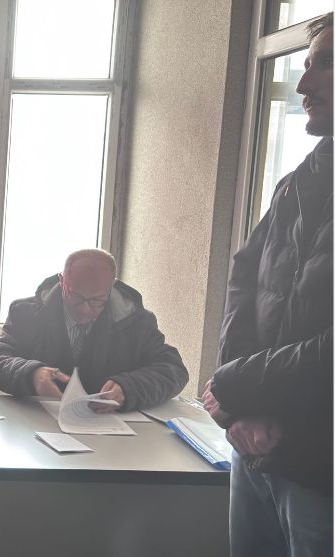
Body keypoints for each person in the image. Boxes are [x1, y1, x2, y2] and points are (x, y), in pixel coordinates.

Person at [203, 13, 332, 556]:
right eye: (306, 65)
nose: (304, 84)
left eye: (325, 65)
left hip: (320, 467)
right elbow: (243, 281)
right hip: (255, 446)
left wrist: (236, 385)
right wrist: (239, 409)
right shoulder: (297, 182)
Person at [0, 249, 187, 412]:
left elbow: (173, 370)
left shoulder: (136, 321)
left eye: (97, 300)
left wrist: (129, 387)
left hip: (111, 435)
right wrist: (32, 374)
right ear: (62, 281)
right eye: (76, 296)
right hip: (36, 425)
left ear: (111, 288)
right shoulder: (26, 313)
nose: (84, 309)